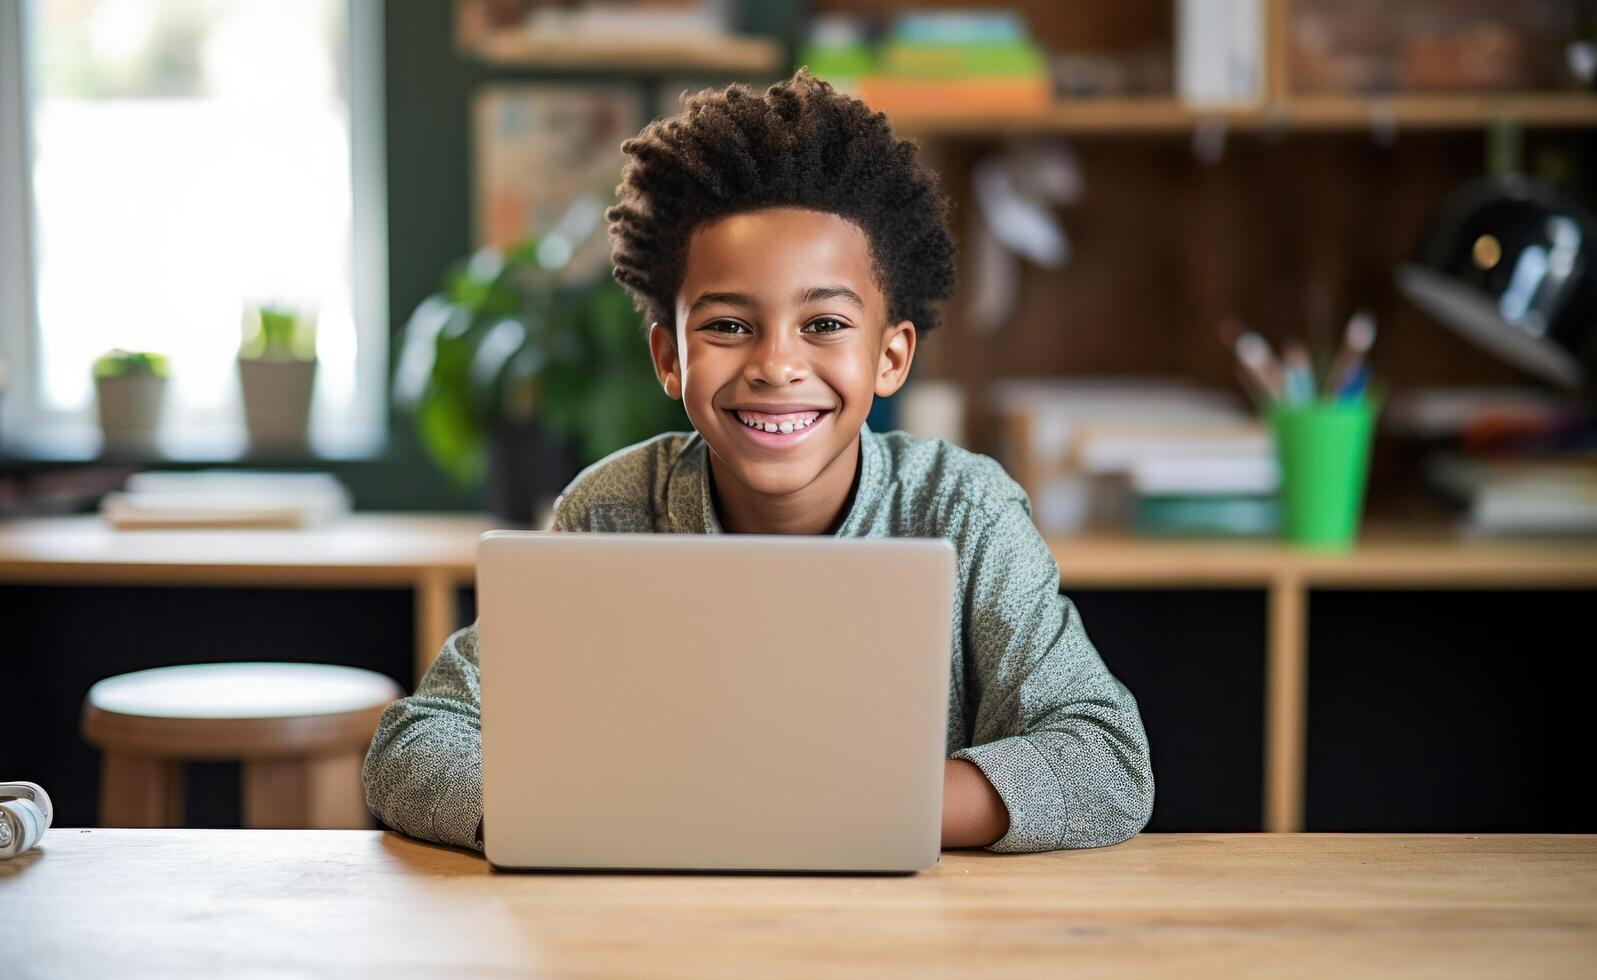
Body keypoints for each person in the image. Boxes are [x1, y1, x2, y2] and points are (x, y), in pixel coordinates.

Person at [363, 68, 1154, 854]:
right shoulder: (610, 513)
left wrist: (840, 807)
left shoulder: (963, 512)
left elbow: (1104, 760)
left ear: (890, 355)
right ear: (669, 359)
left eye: (824, 324)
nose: (776, 365)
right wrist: (588, 809)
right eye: (730, 327)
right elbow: (416, 744)